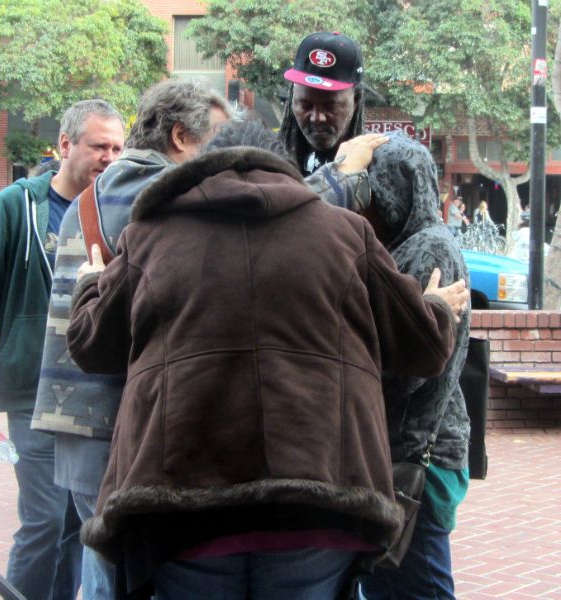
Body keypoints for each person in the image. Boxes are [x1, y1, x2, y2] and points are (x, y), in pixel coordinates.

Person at [66, 119, 468, 599]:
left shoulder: (148, 237)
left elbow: (92, 346)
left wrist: (91, 282)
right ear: (282, 168)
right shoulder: (346, 233)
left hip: (181, 511)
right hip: (319, 506)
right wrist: (439, 308)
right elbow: (422, 350)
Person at [31, 78, 232, 599]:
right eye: (215, 141)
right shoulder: (164, 194)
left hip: (76, 415)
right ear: (183, 136)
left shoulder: (91, 197)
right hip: (124, 421)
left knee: (103, 569)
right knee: (121, 577)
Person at [0, 99, 125, 600]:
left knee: (79, 524)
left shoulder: (113, 209)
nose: (110, 158)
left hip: (92, 394)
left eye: (118, 147)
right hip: (31, 392)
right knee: (44, 519)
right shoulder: (20, 205)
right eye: (100, 146)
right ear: (65, 145)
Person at [355, 132, 471, 600]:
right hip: (409, 454)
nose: (367, 208)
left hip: (417, 461)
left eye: (375, 195)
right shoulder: (408, 245)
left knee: (419, 585)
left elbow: (413, 361)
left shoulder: (427, 252)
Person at [280, 31, 388, 203]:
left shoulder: (380, 167)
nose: (317, 117)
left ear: (356, 100)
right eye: (305, 105)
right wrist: (340, 175)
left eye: (330, 106)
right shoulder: (270, 164)